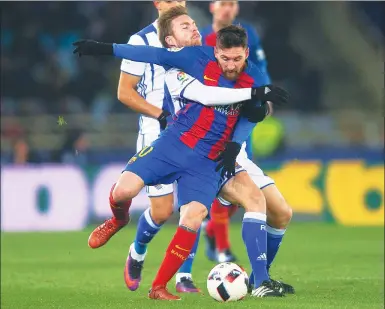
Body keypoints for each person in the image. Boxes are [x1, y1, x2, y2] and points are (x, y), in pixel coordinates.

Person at [73, 7, 290, 300]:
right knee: (143, 201)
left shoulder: (216, 59)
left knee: (256, 209)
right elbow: (202, 92)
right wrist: (104, 49)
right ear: (171, 40)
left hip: (218, 152)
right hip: (175, 141)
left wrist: (241, 135)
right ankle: (129, 234)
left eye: (193, 24)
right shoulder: (182, 62)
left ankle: (254, 280)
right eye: (185, 25)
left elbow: (250, 114)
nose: (194, 28)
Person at [86, 1, 202, 293]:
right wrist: (160, 114)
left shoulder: (195, 35)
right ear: (156, 3)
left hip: (194, 128)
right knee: (162, 211)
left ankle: (184, 276)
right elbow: (124, 92)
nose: (176, 2)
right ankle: (137, 251)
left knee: (194, 204)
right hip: (157, 129)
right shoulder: (140, 40)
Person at [200, 1, 295, 295]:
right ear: (215, 52)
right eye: (226, 57)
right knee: (254, 202)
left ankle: (256, 277)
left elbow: (254, 110)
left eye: (237, 58)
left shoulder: (252, 73)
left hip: (235, 150)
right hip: (207, 153)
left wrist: (260, 108)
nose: (231, 63)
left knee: (281, 212)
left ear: (246, 53)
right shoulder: (200, 67)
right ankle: (258, 281)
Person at [200, 0, 272, 264]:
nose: (228, 9)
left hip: (241, 120)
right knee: (222, 181)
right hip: (214, 122)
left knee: (241, 191)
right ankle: (222, 249)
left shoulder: (249, 34)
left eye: (232, 3)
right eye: (223, 3)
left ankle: (212, 230)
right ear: (212, 7)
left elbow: (260, 69)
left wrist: (266, 95)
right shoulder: (202, 38)